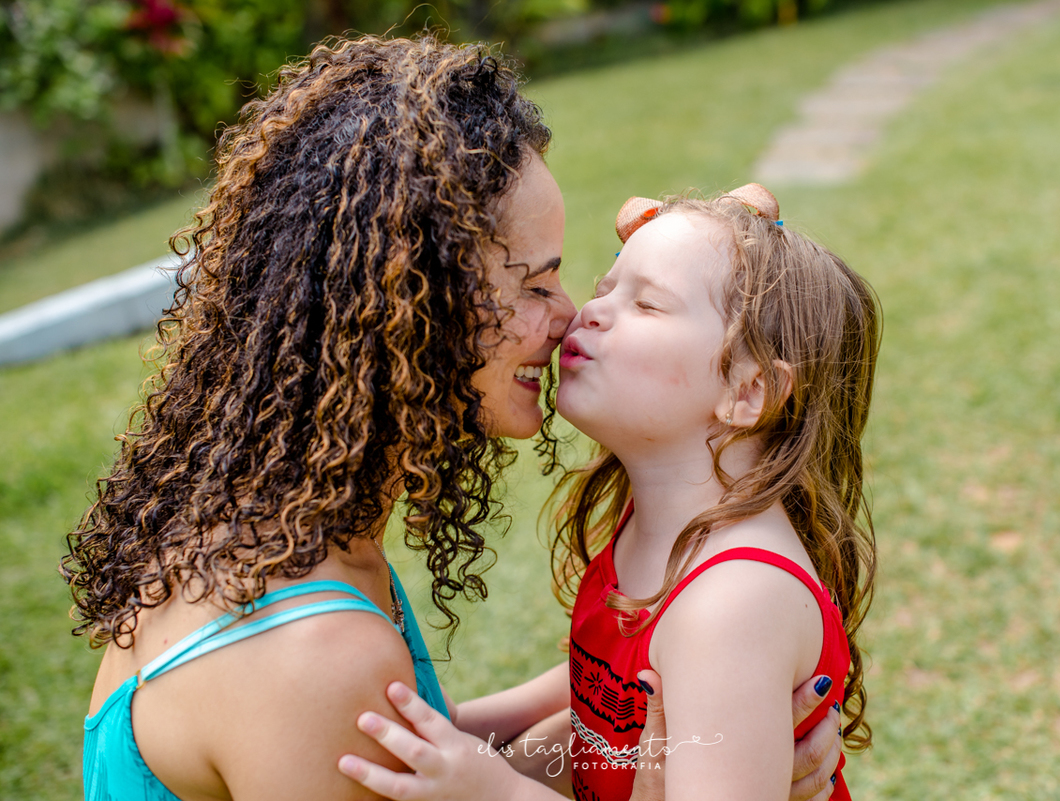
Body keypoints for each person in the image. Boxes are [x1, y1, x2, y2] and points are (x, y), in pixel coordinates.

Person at [62, 33, 841, 801]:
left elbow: (518, 731)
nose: (570, 315)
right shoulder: (314, 661)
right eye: (536, 285)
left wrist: (727, 742)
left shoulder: (268, 522)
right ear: (408, 309)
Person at [337, 184, 878, 801]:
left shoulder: (735, 600)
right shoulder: (664, 527)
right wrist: (461, 732)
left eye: (646, 305)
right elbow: (605, 695)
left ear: (748, 390)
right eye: (604, 291)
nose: (582, 314)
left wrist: (495, 790)